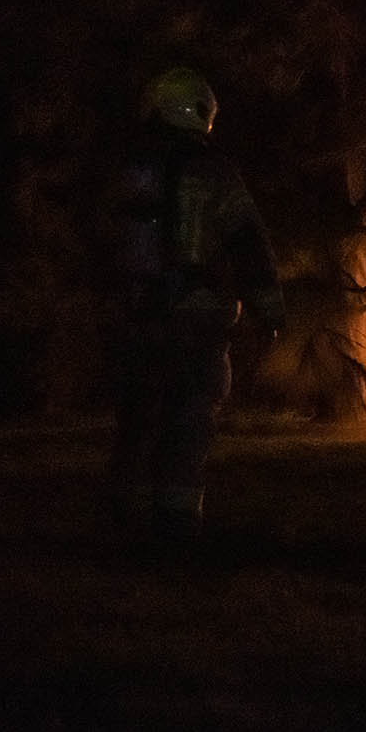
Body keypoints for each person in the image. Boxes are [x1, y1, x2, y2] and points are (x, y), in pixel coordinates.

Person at [104, 67, 284, 536]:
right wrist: (268, 308)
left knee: (137, 412)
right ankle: (177, 517)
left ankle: (124, 512)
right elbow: (249, 243)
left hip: (138, 311)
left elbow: (105, 241)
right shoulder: (216, 173)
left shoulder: (130, 170)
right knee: (190, 414)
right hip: (200, 315)